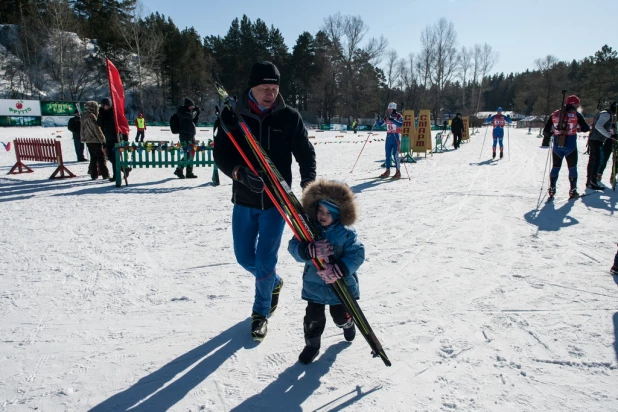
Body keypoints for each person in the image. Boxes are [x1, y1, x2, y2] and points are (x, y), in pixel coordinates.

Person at [213, 61, 316, 341]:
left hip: (276, 201)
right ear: (252, 87)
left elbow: (305, 154)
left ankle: (260, 313)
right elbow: (221, 154)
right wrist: (239, 173)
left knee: (266, 258)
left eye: (274, 88)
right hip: (244, 198)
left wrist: (308, 187)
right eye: (264, 88)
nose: (270, 93)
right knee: (245, 257)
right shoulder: (233, 115)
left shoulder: (289, 117)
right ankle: (273, 282)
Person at [287, 179, 365, 364]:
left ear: (338, 215)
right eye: (321, 211)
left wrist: (340, 269)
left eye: (329, 213)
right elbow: (293, 246)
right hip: (314, 287)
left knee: (339, 316)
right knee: (313, 320)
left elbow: (358, 253)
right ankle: (312, 345)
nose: (323, 215)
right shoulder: (307, 229)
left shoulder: (346, 234)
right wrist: (308, 250)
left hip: (339, 286)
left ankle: (347, 323)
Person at [542, 95, 591, 199]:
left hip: (557, 145)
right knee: (572, 167)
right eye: (577, 103)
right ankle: (573, 190)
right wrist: (577, 129)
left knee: (555, 167)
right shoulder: (576, 114)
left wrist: (553, 133)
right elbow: (586, 128)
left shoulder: (554, 114)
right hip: (571, 145)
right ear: (573, 104)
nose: (578, 105)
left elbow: (546, 132)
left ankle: (552, 188)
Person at [585, 101, 616, 190]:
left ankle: (591, 181)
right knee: (596, 161)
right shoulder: (606, 114)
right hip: (596, 140)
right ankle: (592, 181)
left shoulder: (607, 114)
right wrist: (609, 135)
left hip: (596, 139)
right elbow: (599, 126)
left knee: (595, 160)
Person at [97, 97, 129, 182]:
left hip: (116, 138)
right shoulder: (102, 113)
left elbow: (122, 125)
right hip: (107, 138)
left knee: (115, 158)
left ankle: (116, 175)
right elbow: (99, 124)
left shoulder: (114, 112)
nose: (104, 107)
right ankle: (123, 169)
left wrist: (125, 138)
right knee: (110, 157)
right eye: (103, 105)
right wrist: (100, 113)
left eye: (105, 105)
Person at [80, 101, 110, 180]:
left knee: (93, 157)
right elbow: (97, 129)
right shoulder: (92, 116)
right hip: (95, 140)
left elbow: (82, 129)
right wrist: (103, 139)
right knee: (101, 157)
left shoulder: (83, 116)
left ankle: (94, 174)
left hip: (88, 140)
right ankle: (105, 174)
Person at [375, 102, 403, 179]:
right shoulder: (387, 117)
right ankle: (387, 171)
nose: (389, 111)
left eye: (390, 110)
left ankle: (398, 172)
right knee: (387, 155)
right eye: (388, 110)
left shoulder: (398, 116)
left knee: (395, 154)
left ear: (394, 109)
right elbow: (379, 125)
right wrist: (377, 120)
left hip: (396, 136)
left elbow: (400, 124)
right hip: (389, 137)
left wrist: (393, 120)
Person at [174, 98, 200, 179]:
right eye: (191, 106)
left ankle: (189, 172)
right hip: (184, 136)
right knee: (187, 154)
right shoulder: (181, 111)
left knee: (192, 153)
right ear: (187, 106)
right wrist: (194, 111)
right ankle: (179, 169)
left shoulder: (188, 112)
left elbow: (194, 122)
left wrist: (198, 113)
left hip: (191, 135)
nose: (192, 108)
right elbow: (190, 116)